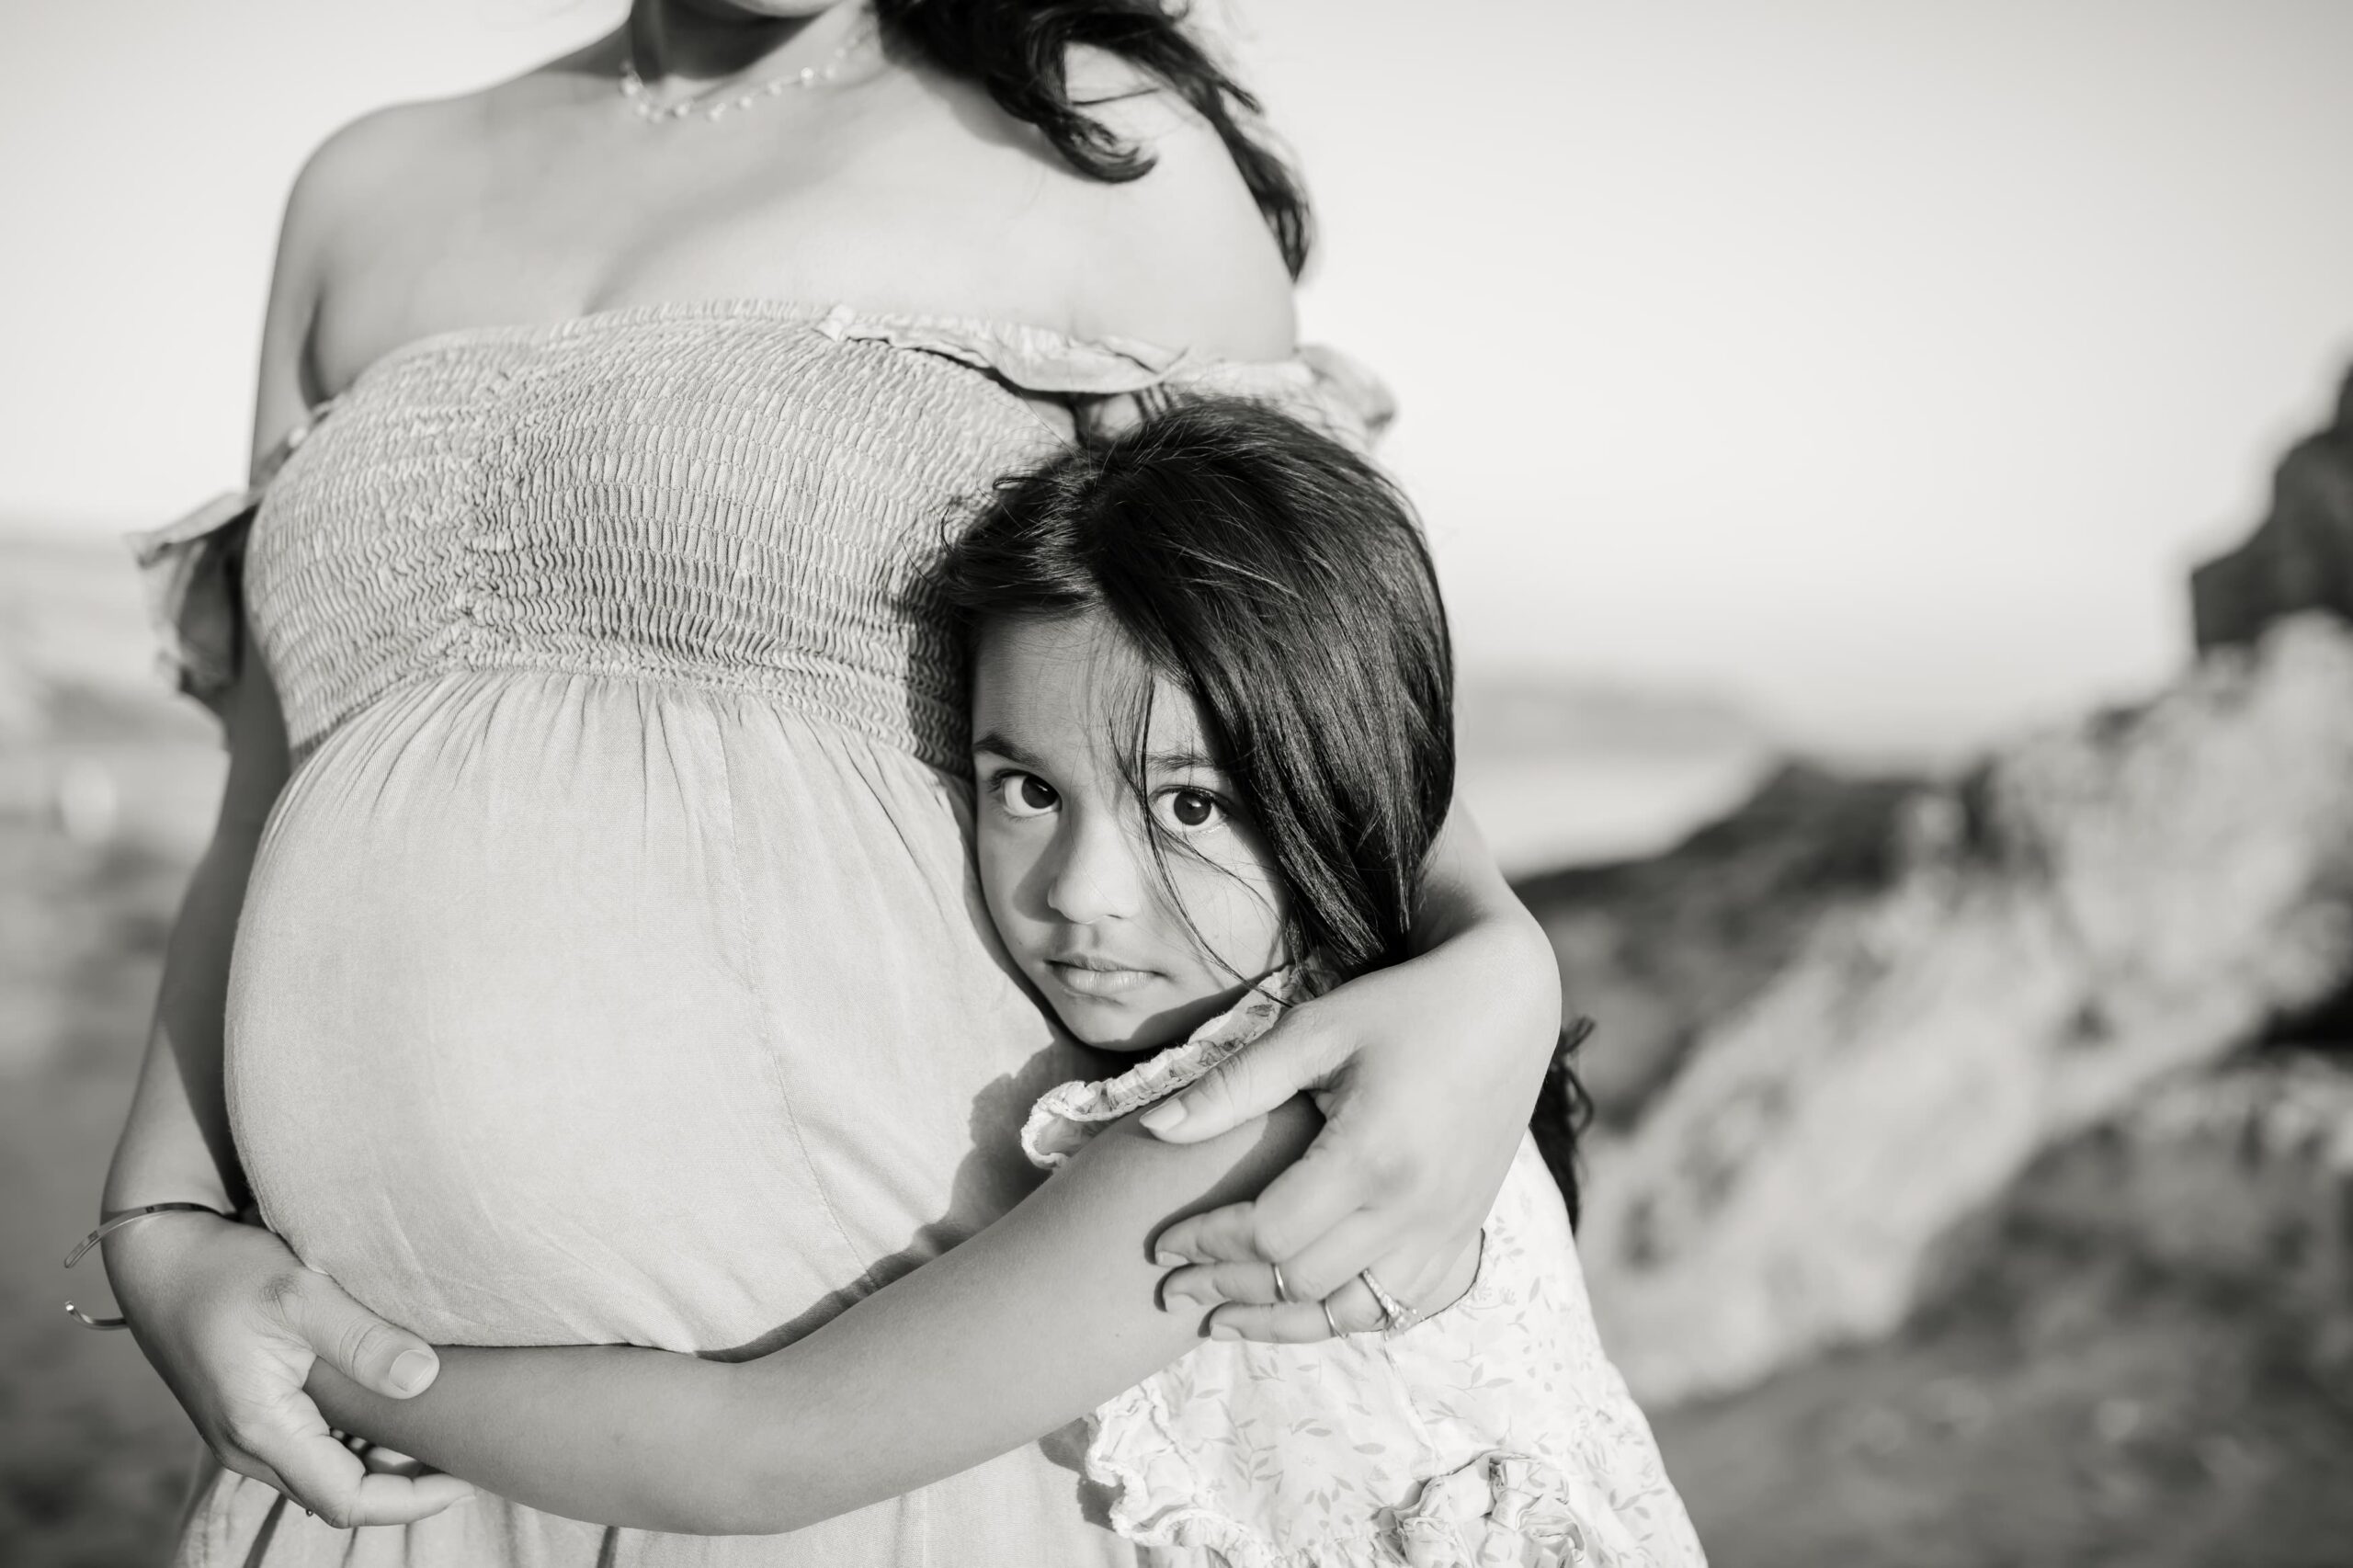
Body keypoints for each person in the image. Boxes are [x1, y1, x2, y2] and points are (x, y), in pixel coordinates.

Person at [100, 3, 1563, 1562]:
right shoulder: (359, 195)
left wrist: (1500, 971)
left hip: (883, 1430)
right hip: (369, 1463)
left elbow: (1330, 712)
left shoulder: (1100, 150)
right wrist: (161, 1225)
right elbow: (267, 789)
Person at [308, 399, 1707, 1568]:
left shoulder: (1251, 1129)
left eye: (1192, 804)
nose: (1082, 891)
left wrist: (312, 1353)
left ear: (1339, 778)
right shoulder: (1396, 1048)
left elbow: (763, 1453)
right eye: (1027, 787)